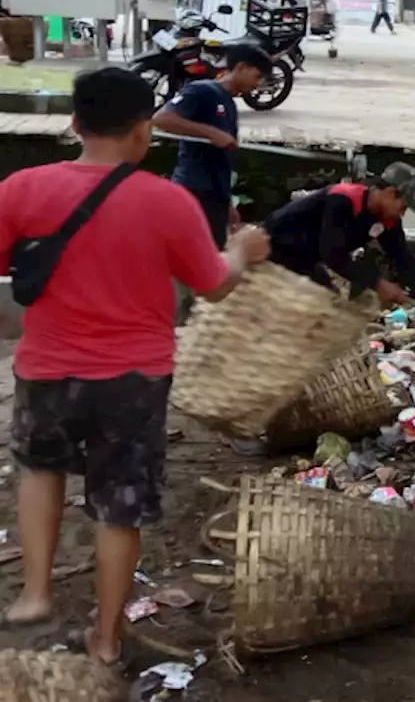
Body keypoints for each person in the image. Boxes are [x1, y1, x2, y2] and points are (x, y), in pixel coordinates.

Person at [0, 68, 270, 665]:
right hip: (132, 379)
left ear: (75, 124)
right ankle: (106, 638)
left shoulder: (20, 189)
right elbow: (214, 286)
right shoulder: (166, 201)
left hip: (46, 369)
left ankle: (36, 592)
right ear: (144, 132)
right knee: (119, 506)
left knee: (39, 470)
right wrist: (240, 251)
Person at [262, 162, 415, 331]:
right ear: (390, 193)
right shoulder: (342, 200)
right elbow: (333, 255)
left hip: (305, 259)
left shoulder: (387, 220)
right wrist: (378, 283)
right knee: (309, 310)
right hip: (272, 250)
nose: (403, 214)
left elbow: (402, 257)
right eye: (403, 207)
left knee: (331, 306)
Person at [151, 44, 273, 250]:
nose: (258, 84)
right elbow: (162, 119)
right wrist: (210, 132)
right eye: (257, 75)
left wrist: (226, 203)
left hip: (215, 197)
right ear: (241, 67)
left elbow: (222, 161)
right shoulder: (202, 91)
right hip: (193, 192)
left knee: (212, 256)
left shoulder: (230, 105)